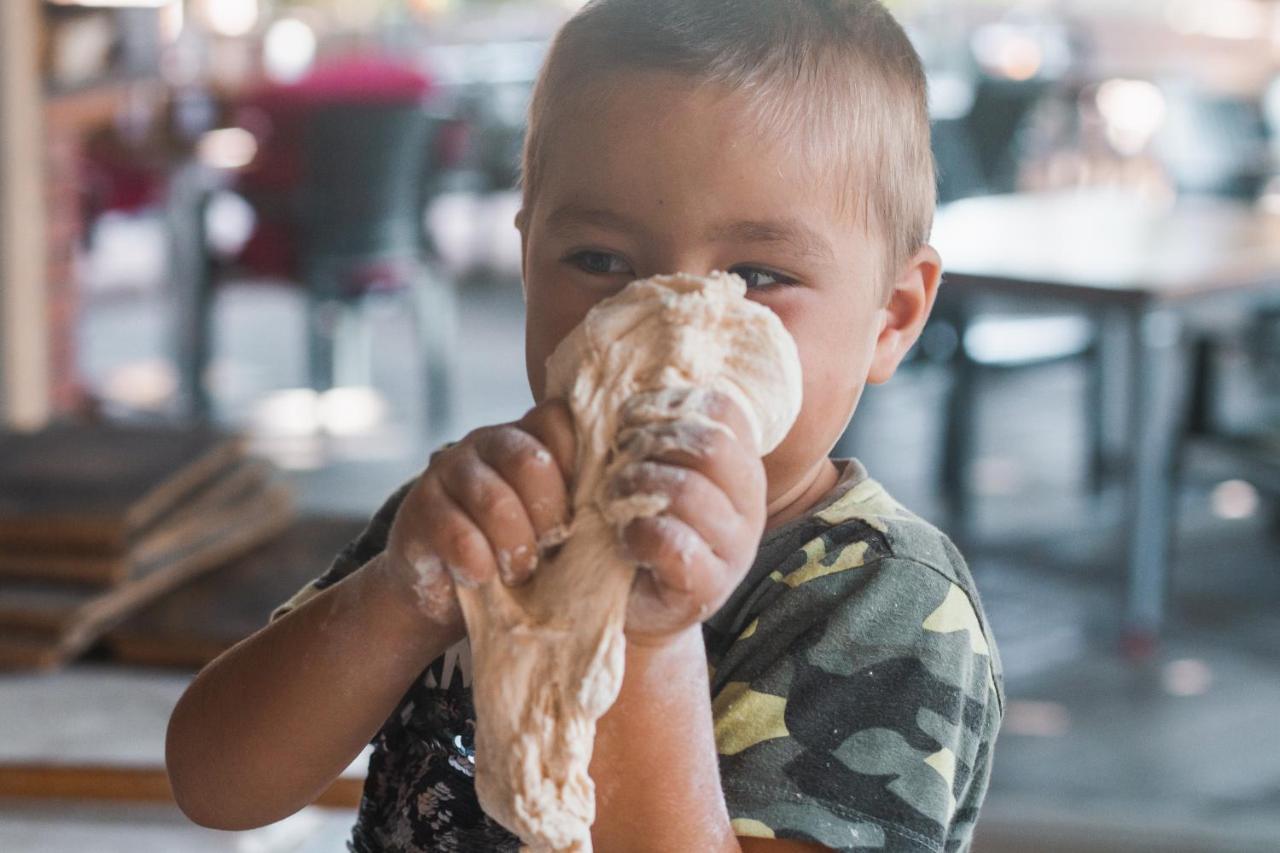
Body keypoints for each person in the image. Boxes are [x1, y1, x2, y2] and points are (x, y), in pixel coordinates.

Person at [166, 2, 1003, 851]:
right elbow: (214, 782)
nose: (667, 325)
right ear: (528, 262)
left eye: (758, 274)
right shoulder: (482, 509)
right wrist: (400, 597)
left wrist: (644, 644)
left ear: (891, 316)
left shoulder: (883, 602)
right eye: (601, 261)